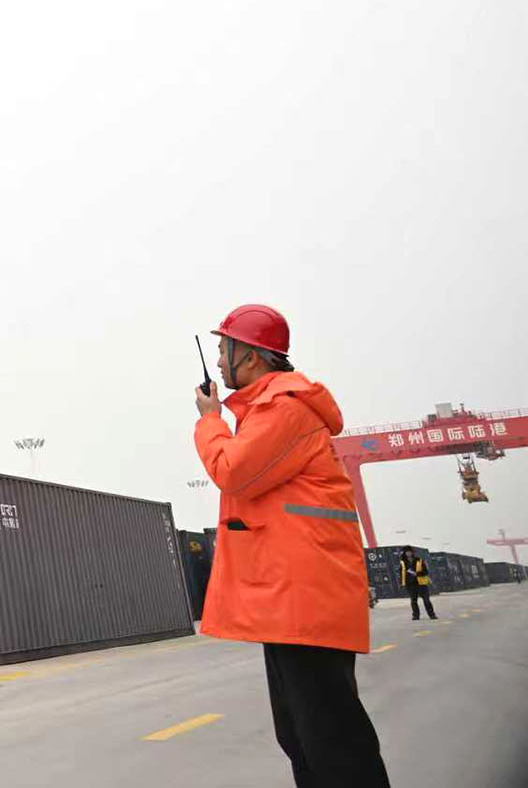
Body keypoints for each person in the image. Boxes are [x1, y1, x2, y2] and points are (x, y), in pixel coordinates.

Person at [192, 304, 390, 788]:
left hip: (305, 599)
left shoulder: (285, 407)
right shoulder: (269, 409)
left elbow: (235, 472)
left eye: (223, 349)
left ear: (251, 356)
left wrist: (210, 420)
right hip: (290, 598)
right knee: (302, 737)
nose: (218, 361)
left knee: (332, 741)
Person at [398, 546, 436, 620]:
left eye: (409, 552)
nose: (408, 553)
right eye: (407, 552)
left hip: (421, 583)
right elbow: (401, 574)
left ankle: (432, 615)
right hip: (410, 584)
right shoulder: (403, 563)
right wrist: (401, 583)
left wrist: (417, 574)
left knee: (426, 600)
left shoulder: (419, 561)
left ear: (412, 552)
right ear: (404, 553)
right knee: (413, 601)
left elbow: (426, 571)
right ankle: (416, 615)